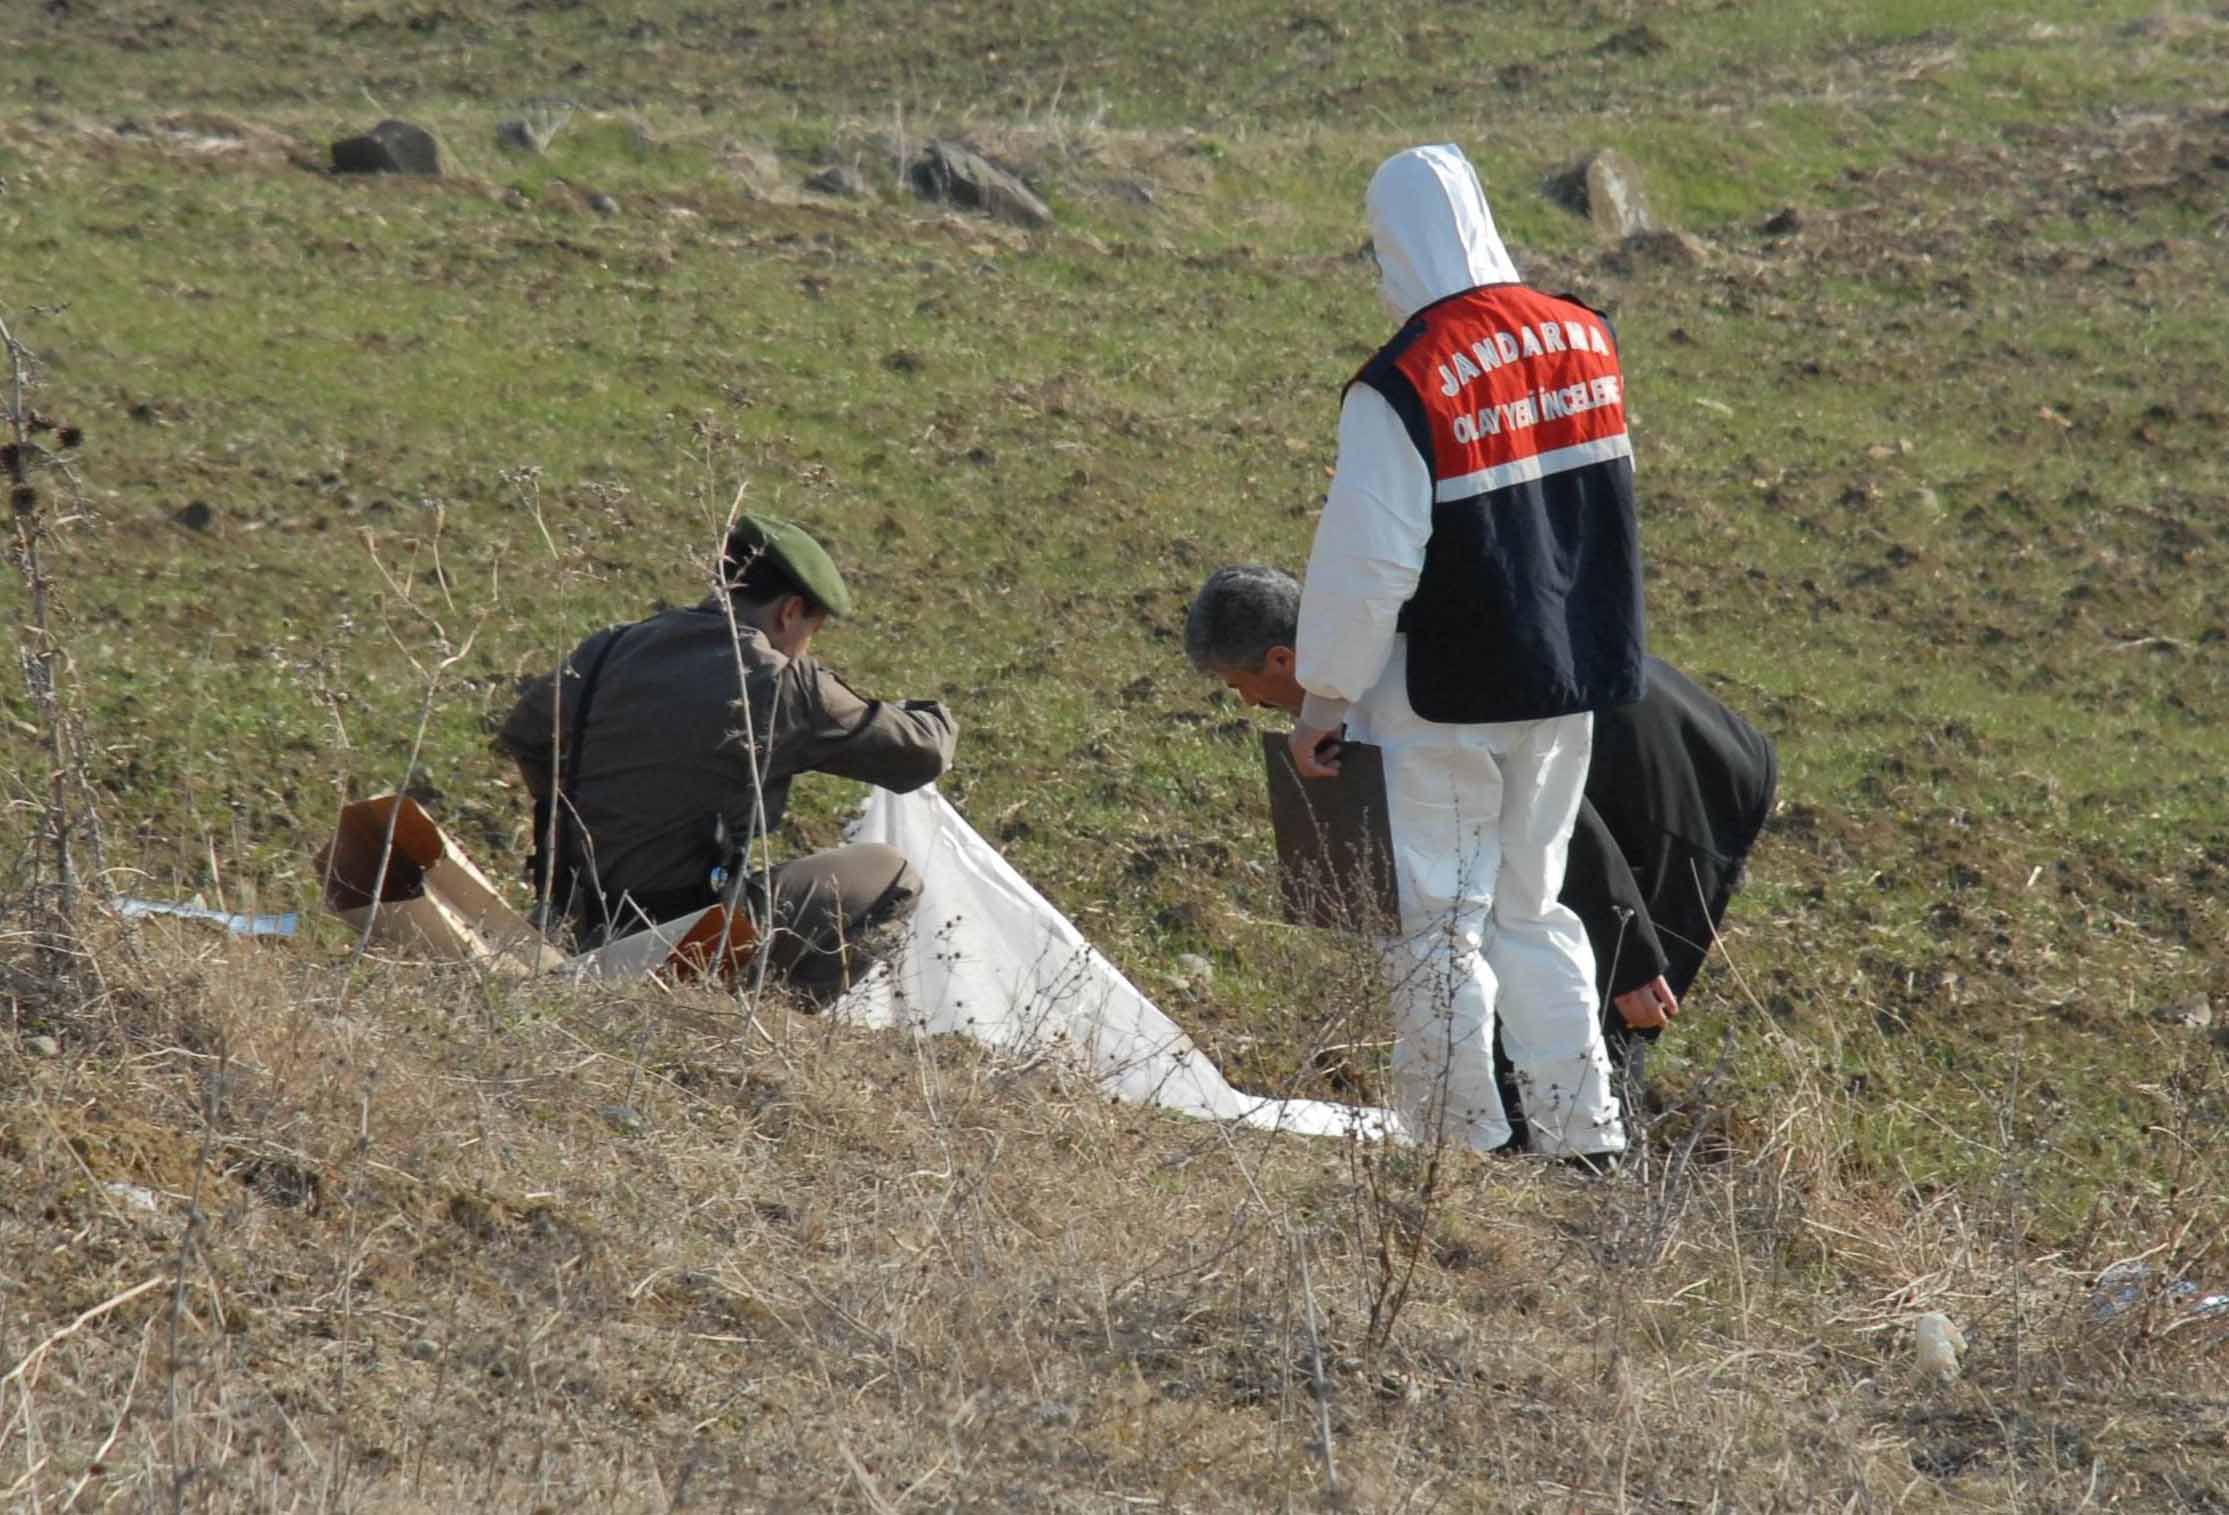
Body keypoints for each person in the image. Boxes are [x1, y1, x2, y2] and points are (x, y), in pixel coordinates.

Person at [1279, 142, 1651, 1163]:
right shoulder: (1588, 337)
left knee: (1440, 928)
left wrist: (1322, 701)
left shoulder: (1400, 382)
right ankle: (1585, 1140)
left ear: (1391, 246)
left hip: (1440, 695)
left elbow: (1367, 567)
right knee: (1535, 909)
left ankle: (1461, 1150)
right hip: (1569, 677)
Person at [1185, 568, 1775, 1145]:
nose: (1247, 702)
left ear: (1282, 660)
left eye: (1240, 684)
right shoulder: (1366, 666)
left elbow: (1564, 828)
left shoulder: (1404, 688)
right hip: (1592, 749)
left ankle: (1592, 1176)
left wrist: (1636, 959)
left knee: (1611, 1012)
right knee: (1525, 1009)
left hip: (1678, 776)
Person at [495, 514, 956, 998]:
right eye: (811, 631)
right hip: (676, 939)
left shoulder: (610, 648)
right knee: (891, 875)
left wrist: (575, 814)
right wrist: (931, 712)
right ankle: (764, 1022)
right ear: (790, 611)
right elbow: (921, 755)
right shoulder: (778, 682)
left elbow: (526, 736)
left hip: (568, 917)